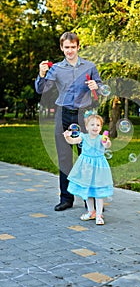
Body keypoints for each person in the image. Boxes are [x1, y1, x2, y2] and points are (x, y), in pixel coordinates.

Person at [35, 32, 102, 211]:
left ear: (78, 47)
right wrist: (41, 75)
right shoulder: (56, 68)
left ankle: (94, 201)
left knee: (88, 157)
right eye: (67, 47)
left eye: (73, 47)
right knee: (64, 158)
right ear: (61, 48)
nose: (70, 51)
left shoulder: (89, 66)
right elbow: (42, 90)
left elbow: (101, 88)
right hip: (63, 114)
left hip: (84, 115)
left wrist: (97, 87)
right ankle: (66, 199)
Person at [63, 114, 113, 225]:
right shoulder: (83, 137)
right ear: (86, 127)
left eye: (98, 125)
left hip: (98, 168)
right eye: (92, 124)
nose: (95, 127)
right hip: (85, 167)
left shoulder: (101, 138)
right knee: (88, 192)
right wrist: (67, 137)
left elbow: (107, 145)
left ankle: (99, 215)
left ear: (101, 127)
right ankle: (91, 212)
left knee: (98, 192)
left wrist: (106, 142)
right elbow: (73, 141)